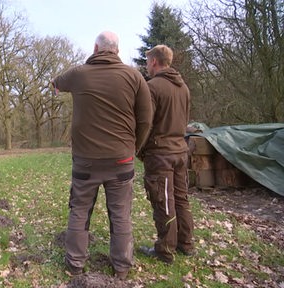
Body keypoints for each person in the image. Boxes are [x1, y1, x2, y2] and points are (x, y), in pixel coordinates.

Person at [51, 31, 153, 280]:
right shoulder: (134, 76)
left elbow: (55, 83)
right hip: (121, 160)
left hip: (85, 161)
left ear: (96, 48)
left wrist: (58, 87)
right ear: (117, 50)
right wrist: (133, 148)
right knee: (120, 214)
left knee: (80, 211)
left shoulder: (78, 74)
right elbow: (146, 118)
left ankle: (75, 264)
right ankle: (121, 268)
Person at [138, 45, 195, 264]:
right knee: (181, 199)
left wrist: (140, 149)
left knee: (163, 200)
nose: (146, 66)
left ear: (154, 62)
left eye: (147, 61)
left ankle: (165, 249)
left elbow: (145, 123)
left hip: (160, 153)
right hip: (181, 151)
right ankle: (186, 243)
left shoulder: (152, 87)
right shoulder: (184, 88)